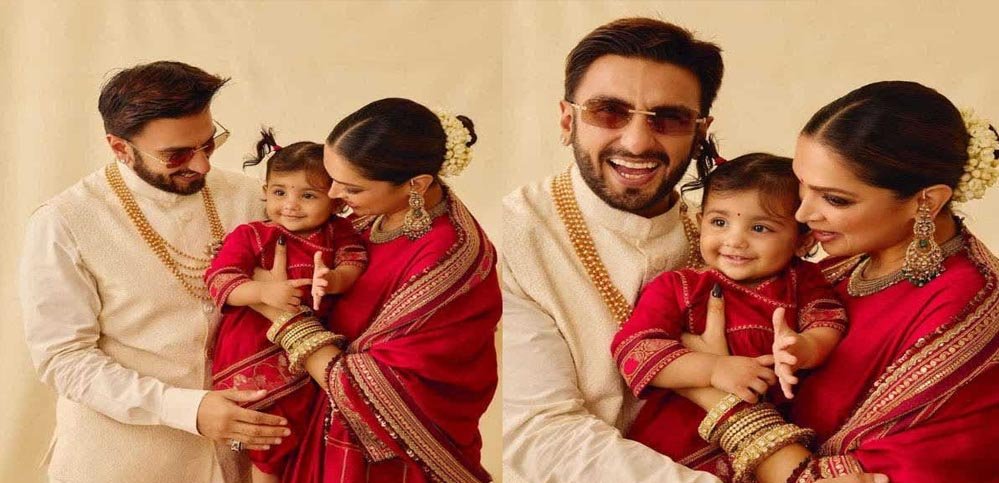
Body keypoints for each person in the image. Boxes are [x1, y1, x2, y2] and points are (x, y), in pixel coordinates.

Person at [678, 81, 999, 483]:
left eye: (835, 199)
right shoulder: (843, 262)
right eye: (802, 186)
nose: (802, 214)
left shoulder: (971, 314)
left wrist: (711, 390)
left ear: (926, 201)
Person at [19, 61, 291, 483]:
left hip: (241, 461)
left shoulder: (250, 198)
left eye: (209, 144)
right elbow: (64, 359)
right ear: (119, 147)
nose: (201, 166)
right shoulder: (65, 221)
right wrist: (186, 409)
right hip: (121, 464)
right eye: (176, 154)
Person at [501, 17, 727, 482]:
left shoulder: (726, 243)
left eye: (669, 118)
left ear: (700, 131)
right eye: (608, 112)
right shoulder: (511, 236)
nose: (637, 142)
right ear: (568, 120)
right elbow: (538, 433)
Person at [246, 98, 501, 482]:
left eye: (351, 188)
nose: (333, 194)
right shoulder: (369, 218)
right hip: (322, 428)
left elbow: (374, 389)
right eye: (331, 178)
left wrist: (284, 318)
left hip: (393, 462)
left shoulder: (448, 258)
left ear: (416, 185)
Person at [612, 153, 847, 479]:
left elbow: (828, 320)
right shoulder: (679, 287)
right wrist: (713, 369)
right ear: (699, 222)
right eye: (719, 223)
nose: (735, 240)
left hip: (774, 446)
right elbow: (634, 349)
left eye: (760, 228)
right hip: (679, 446)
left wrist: (805, 347)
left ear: (803, 241)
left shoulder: (802, 281)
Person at [207, 129, 368, 483]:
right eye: (280, 193)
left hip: (309, 356)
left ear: (336, 202)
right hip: (252, 348)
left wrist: (333, 280)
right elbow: (219, 279)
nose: (291, 205)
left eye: (308, 195)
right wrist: (262, 293)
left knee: (295, 435)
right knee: (264, 435)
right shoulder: (252, 234)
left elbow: (354, 262)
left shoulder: (338, 233)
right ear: (265, 192)